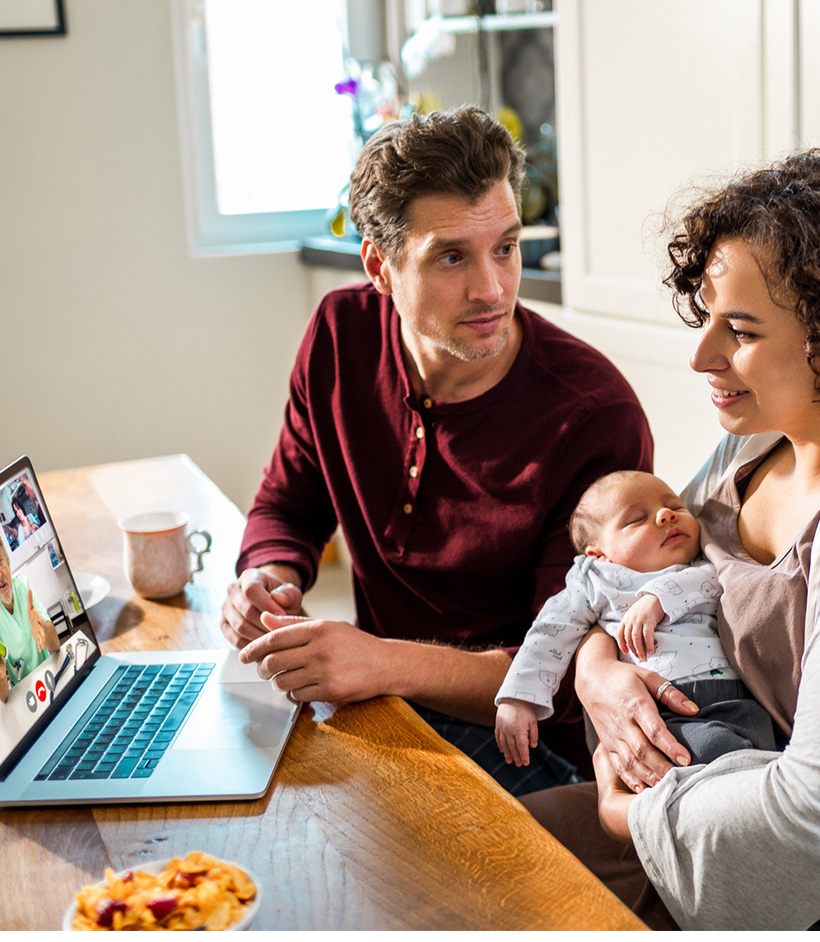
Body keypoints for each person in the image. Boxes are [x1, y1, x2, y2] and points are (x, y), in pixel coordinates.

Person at [220, 106, 653, 795]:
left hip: (530, 745)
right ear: (380, 268)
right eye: (452, 256)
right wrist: (269, 577)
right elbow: (288, 502)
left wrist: (381, 663)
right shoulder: (340, 334)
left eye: (505, 248)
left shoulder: (593, 416)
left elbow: (564, 676)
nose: (492, 289)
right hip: (389, 704)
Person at [521, 149, 820, 930]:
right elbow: (620, 583)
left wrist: (627, 816)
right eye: (708, 319)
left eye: (742, 330)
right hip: (682, 787)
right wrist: (596, 674)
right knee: (448, 849)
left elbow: (806, 816)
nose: (700, 355)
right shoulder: (751, 450)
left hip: (735, 825)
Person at [495, 470, 776, 769]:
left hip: (736, 697)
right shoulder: (594, 580)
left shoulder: (702, 562)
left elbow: (719, 578)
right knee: (714, 751)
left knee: (761, 747)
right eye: (636, 519)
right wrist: (519, 698)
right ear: (600, 556)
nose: (667, 515)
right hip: (658, 710)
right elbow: (550, 632)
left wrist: (657, 599)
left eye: (676, 507)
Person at [0, 538, 60, 703]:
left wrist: (42, 628)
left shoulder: (22, 587)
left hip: (49, 673)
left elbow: (55, 646)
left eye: (0, 562)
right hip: (24, 693)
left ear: (8, 562)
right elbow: (3, 697)